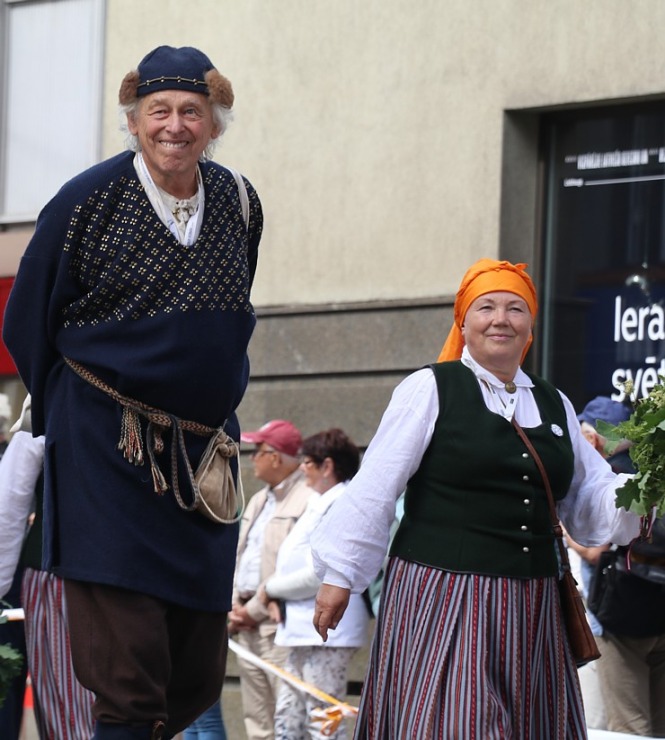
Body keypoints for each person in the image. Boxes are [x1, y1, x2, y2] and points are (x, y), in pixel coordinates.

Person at [2, 44, 262, 740]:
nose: (174, 126)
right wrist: (72, 417)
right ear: (134, 119)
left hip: (202, 459)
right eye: (159, 111)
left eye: (191, 112)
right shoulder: (86, 201)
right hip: (107, 450)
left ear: (214, 122)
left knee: (195, 664)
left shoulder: (238, 200)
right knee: (126, 654)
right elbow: (28, 317)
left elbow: (232, 314)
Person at [310, 258, 643, 739]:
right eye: (486, 307)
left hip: (533, 606)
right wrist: (340, 575)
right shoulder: (429, 389)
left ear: (530, 325)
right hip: (444, 595)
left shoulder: (554, 403)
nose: (501, 318)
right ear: (463, 322)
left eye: (515, 308)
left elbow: (589, 493)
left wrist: (644, 486)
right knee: (457, 724)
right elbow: (376, 486)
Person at [261, 428, 368, 740]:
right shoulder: (318, 501)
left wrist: (271, 590)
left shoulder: (343, 501)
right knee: (288, 718)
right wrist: (276, 596)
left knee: (322, 722)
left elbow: (320, 573)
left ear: (327, 466)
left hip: (328, 631)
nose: (302, 468)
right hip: (301, 625)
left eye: (307, 462)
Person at [0, 396, 95, 739]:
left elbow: (9, 501)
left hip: (61, 576)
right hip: (145, 576)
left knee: (69, 718)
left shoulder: (51, 391)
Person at [572, 399, 665, 736]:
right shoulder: (650, 474)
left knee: (628, 728)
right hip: (657, 609)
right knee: (657, 724)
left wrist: (565, 530)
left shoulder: (611, 480)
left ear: (595, 439)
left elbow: (595, 552)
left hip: (619, 619)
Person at [229, 419, 313, 740]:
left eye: (257, 451)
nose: (252, 459)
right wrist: (236, 604)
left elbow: (300, 566)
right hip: (246, 622)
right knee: (257, 721)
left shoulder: (308, 498)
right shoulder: (259, 499)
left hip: (281, 626)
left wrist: (255, 608)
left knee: (290, 720)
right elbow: (242, 554)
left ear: (275, 457)